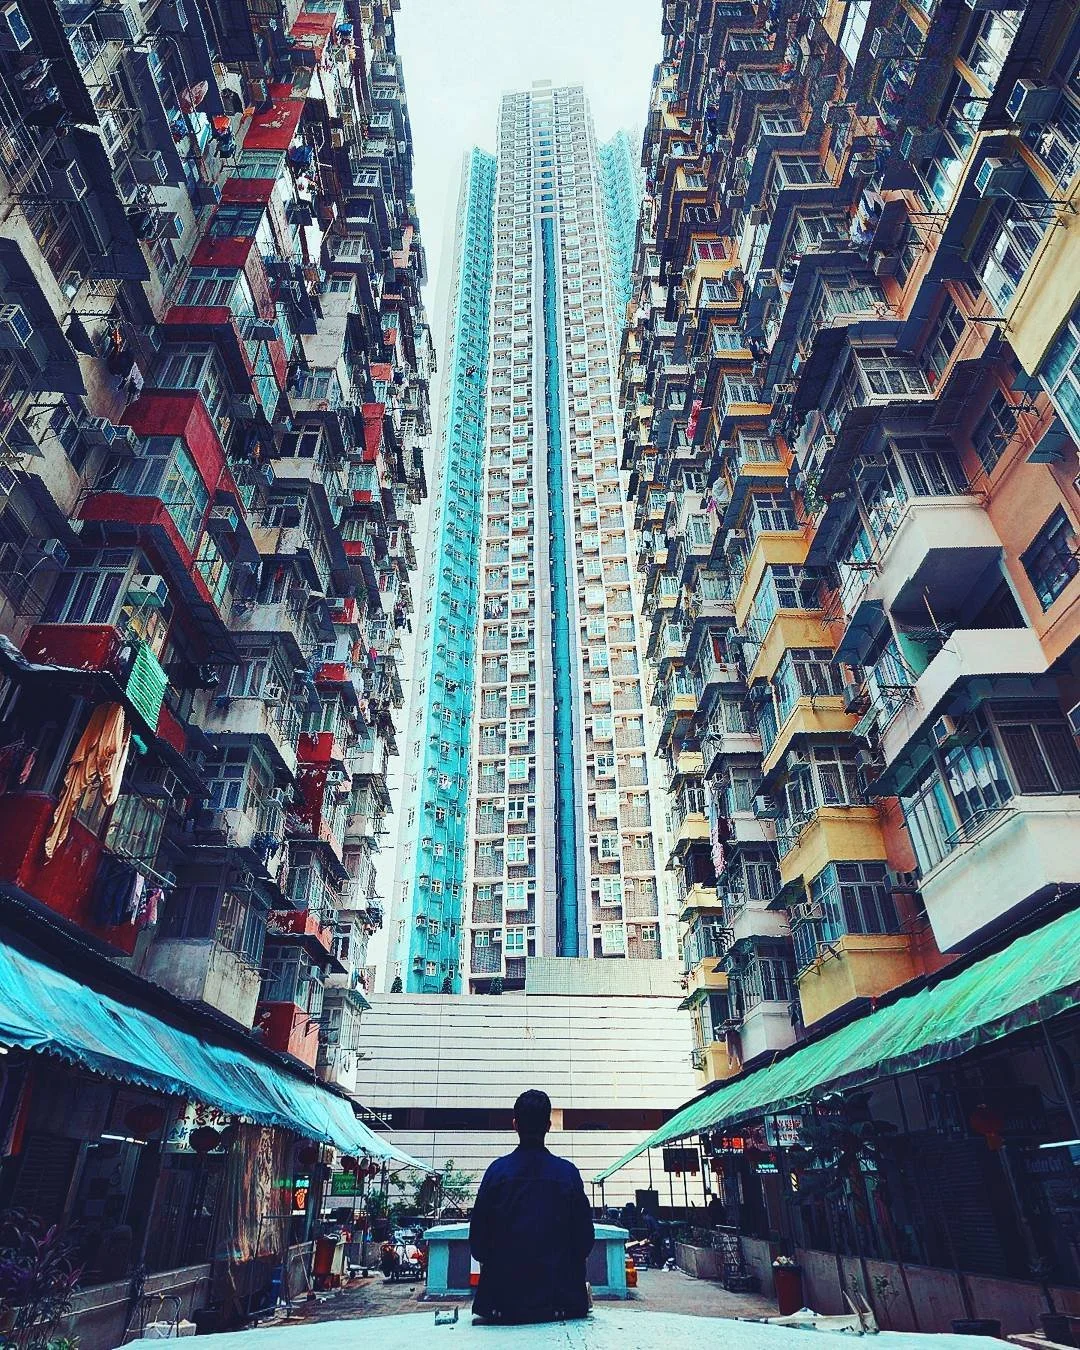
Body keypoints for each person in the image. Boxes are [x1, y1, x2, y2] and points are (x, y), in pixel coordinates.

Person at [469, 1089, 594, 1324]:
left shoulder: (496, 1173)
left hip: (502, 1307)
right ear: (548, 1125)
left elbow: (478, 1245)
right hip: (561, 1306)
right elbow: (585, 1241)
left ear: (515, 1125)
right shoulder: (568, 1174)